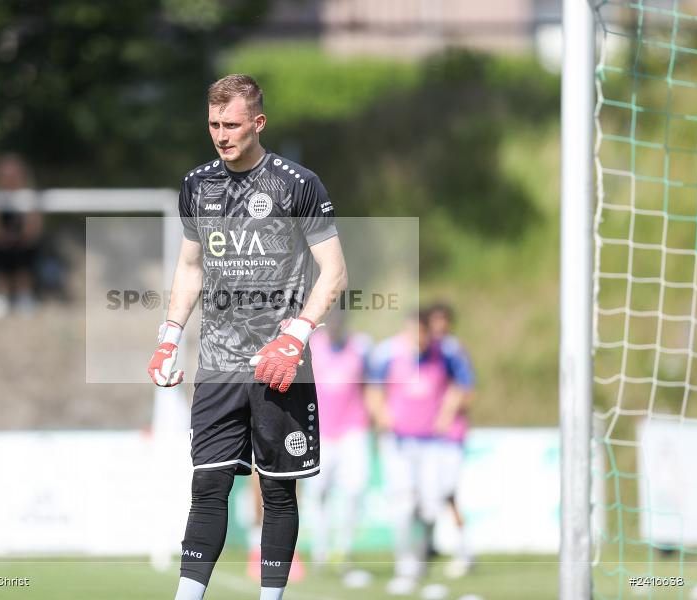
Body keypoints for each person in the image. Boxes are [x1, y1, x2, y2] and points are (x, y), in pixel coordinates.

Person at [147, 74, 347, 600]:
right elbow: (190, 268)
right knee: (208, 484)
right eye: (213, 124)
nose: (221, 134)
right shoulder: (197, 185)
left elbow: (334, 273)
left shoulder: (297, 183)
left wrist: (297, 334)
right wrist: (169, 336)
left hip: (278, 362)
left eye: (231, 124)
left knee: (279, 490)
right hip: (218, 362)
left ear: (258, 123)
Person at [366, 310, 468, 595]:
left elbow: (461, 385)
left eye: (422, 334)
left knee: (430, 506)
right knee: (404, 502)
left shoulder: (445, 353)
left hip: (432, 443)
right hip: (398, 442)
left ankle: (421, 558)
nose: (417, 339)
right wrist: (381, 414)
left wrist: (447, 413)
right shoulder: (388, 352)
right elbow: (373, 390)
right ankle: (404, 565)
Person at [304, 309, 371, 579]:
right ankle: (320, 550)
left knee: (355, 490)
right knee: (318, 493)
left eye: (339, 325)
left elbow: (370, 386)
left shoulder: (361, 347)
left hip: (353, 430)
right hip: (320, 431)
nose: (334, 329)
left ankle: (343, 548)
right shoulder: (313, 347)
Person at [426, 301, 476, 579]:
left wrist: (447, 412)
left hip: (449, 435)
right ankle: (429, 548)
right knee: (429, 494)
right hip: (427, 436)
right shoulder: (424, 351)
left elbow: (466, 389)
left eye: (443, 321)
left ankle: (464, 551)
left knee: (448, 493)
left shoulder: (452, 350)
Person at [0, 155, 44, 320]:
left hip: (24, 244)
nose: (9, 180)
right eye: (5, 176)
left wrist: (18, 237)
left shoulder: (29, 196)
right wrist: (4, 236)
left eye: (14, 175)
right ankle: (2, 296)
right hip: (1, 244)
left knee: (25, 252)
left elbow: (34, 230)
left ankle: (24, 294)